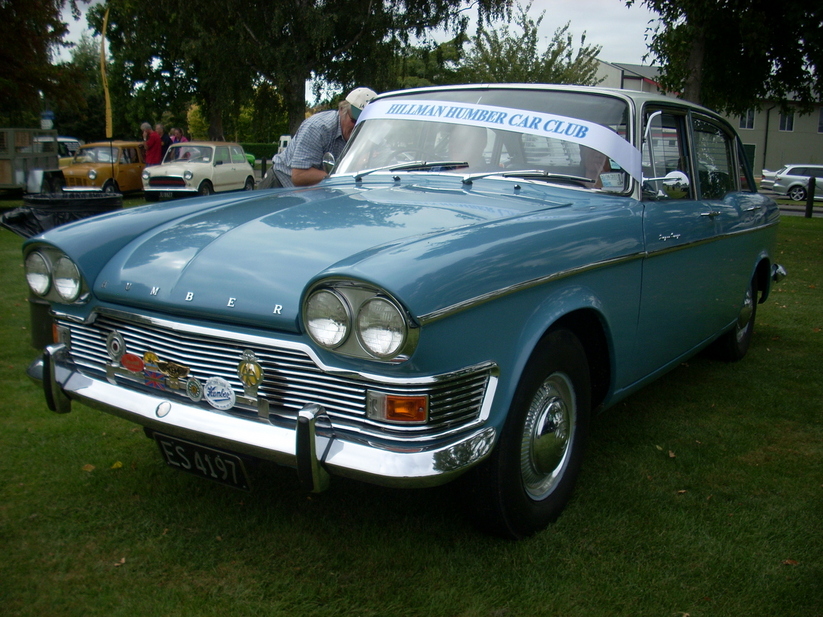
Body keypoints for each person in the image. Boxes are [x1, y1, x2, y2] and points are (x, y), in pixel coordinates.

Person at [261, 87, 376, 188]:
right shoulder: (317, 127)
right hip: (279, 185)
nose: (358, 127)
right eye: (354, 121)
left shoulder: (371, 136)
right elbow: (299, 176)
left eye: (364, 123)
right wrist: (342, 175)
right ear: (341, 111)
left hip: (311, 192)